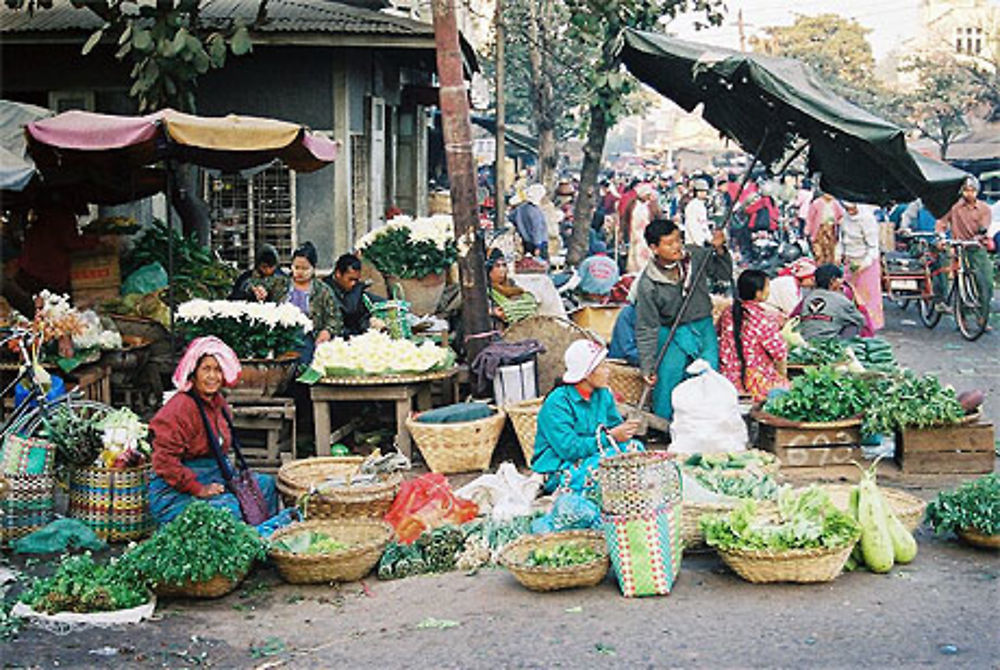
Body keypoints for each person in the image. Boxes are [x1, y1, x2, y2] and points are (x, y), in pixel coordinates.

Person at [148, 337, 278, 525]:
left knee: (266, 485)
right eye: (206, 369)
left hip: (214, 474)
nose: (212, 376)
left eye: (217, 370)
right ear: (194, 373)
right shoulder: (180, 408)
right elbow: (164, 462)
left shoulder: (219, 404)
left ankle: (267, 539)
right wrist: (198, 488)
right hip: (174, 490)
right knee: (228, 509)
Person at [635, 219, 733, 421]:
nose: (677, 247)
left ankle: (707, 423)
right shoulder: (648, 284)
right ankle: (667, 428)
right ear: (654, 248)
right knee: (669, 380)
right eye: (669, 244)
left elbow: (723, 273)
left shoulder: (695, 256)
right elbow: (647, 327)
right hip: (671, 333)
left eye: (678, 240)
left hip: (702, 327)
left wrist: (720, 249)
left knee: (708, 376)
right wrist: (647, 365)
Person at [532, 340, 641, 493]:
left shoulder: (603, 394)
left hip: (595, 454)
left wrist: (624, 431)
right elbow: (568, 449)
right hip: (560, 466)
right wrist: (610, 437)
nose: (608, 370)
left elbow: (614, 426)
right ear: (587, 374)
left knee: (635, 448)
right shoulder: (557, 403)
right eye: (602, 366)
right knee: (601, 469)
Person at [250, 241, 342, 364]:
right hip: (282, 338)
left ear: (313, 268)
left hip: (309, 340)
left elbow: (335, 318)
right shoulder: (280, 283)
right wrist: (258, 290)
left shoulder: (323, 291)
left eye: (305, 268)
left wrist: (327, 331)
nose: (300, 272)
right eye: (296, 267)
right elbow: (252, 283)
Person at [717, 270, 789, 403]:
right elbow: (779, 352)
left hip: (727, 380)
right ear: (758, 293)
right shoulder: (763, 318)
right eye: (767, 286)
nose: (769, 290)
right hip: (755, 382)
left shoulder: (728, 313)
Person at [934, 176, 994, 325]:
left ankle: (982, 318)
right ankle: (962, 318)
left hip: (976, 247)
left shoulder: (984, 209)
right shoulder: (954, 207)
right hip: (958, 247)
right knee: (957, 280)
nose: (969, 194)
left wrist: (980, 236)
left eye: (972, 190)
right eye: (967, 190)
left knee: (985, 282)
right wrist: (941, 237)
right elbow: (942, 222)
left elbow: (984, 227)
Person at [838, 202, 884, 331]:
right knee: (848, 293)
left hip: (865, 263)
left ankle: (869, 325)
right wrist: (839, 254)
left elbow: (873, 248)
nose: (850, 212)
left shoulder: (867, 219)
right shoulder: (845, 219)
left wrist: (864, 264)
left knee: (866, 297)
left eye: (852, 209)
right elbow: (842, 239)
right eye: (847, 209)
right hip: (850, 260)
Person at [795, 264, 866, 340]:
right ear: (833, 281)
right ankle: (843, 346)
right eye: (840, 279)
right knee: (853, 323)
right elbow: (860, 320)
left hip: (806, 341)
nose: (842, 282)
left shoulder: (807, 298)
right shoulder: (841, 300)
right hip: (830, 343)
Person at [325, 253, 381, 336]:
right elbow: (346, 310)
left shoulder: (356, 288)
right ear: (338, 274)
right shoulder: (325, 289)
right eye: (350, 279)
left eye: (356, 280)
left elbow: (375, 301)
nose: (353, 283)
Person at [487, 249, 537, 326]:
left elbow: (529, 303)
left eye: (504, 265)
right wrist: (492, 312)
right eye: (497, 266)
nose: (502, 270)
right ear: (488, 271)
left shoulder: (511, 283)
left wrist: (510, 309)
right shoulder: (485, 289)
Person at [625, 183, 663, 273]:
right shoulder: (634, 205)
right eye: (647, 195)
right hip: (636, 236)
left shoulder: (649, 206)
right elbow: (628, 220)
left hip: (646, 235)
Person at [509, 183, 549, 259]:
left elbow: (511, 218)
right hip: (537, 244)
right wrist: (537, 246)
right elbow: (536, 229)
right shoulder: (535, 211)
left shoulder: (521, 208)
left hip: (526, 242)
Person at [805, 192, 844, 266]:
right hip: (819, 231)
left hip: (831, 231)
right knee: (819, 253)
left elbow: (841, 215)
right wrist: (807, 230)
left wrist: (839, 222)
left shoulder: (835, 203)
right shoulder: (816, 203)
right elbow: (810, 218)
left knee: (830, 252)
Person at [683, 178, 712, 247]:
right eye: (700, 191)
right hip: (693, 242)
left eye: (704, 191)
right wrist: (698, 242)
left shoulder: (702, 205)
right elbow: (692, 225)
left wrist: (710, 239)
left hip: (702, 241)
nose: (703, 193)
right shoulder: (693, 205)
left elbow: (704, 225)